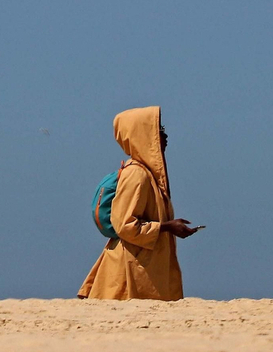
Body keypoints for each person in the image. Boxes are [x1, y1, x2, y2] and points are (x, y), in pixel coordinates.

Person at [78, 106, 201, 301]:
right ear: (144, 135)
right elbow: (125, 226)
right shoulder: (137, 175)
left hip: (143, 269)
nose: (165, 135)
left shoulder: (148, 175)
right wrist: (167, 227)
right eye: (158, 131)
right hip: (131, 272)